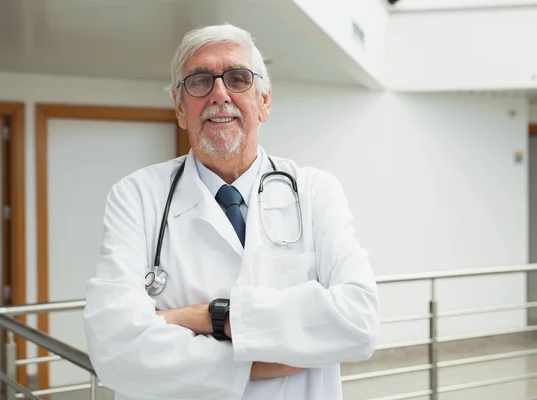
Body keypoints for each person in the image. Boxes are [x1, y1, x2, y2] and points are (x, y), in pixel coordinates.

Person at [83, 23, 379, 400]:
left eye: (238, 79)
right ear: (179, 106)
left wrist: (206, 316)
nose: (219, 93)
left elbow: (360, 322)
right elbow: (114, 347)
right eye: (200, 81)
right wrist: (268, 355)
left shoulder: (315, 192)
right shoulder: (136, 197)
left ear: (264, 101)